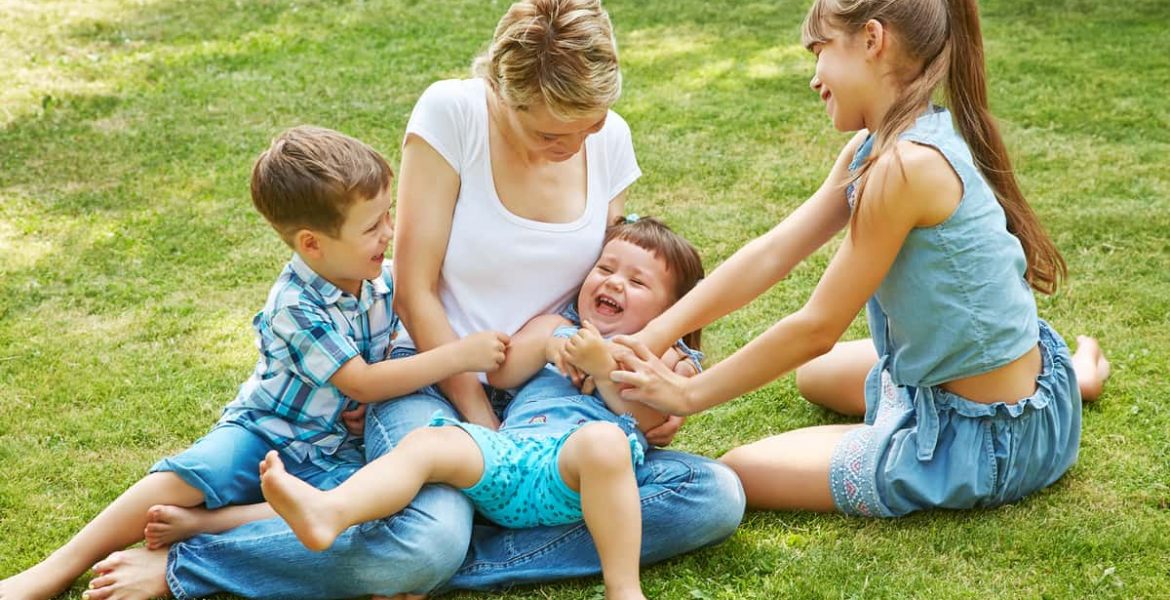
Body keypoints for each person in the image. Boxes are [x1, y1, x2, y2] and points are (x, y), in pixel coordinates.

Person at [66, 2, 743, 599]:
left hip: (551, 407)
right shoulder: (452, 115)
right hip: (434, 381)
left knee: (711, 496)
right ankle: (202, 562)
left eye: (591, 124)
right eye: (552, 133)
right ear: (504, 94)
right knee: (429, 539)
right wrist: (483, 420)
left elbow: (591, 294)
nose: (577, 145)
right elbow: (415, 289)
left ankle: (417, 555)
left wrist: (638, 385)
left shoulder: (604, 138)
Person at [609, 0, 1110, 518]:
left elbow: (816, 327)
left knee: (736, 469)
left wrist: (686, 396)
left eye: (819, 50)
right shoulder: (877, 145)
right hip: (1001, 390)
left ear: (872, 39)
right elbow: (774, 252)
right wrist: (655, 334)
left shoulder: (905, 168)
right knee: (814, 377)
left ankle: (1009, 409)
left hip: (986, 441)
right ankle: (1075, 376)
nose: (813, 78)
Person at [0, 126, 510, 600]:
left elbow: (383, 355)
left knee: (349, 510)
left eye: (389, 215)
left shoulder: (379, 279)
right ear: (312, 243)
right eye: (374, 225)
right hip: (267, 428)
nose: (390, 232)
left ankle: (208, 527)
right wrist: (457, 356)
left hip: (335, 448)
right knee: (196, 472)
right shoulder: (295, 305)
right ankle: (60, 565)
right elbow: (363, 379)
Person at [259, 217, 705, 600]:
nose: (612, 282)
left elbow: (649, 420)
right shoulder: (557, 325)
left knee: (606, 441)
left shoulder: (667, 359)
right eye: (605, 268)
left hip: (577, 478)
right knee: (430, 444)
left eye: (637, 281)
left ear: (672, 311)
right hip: (509, 462)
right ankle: (331, 511)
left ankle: (622, 588)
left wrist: (603, 371)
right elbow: (502, 375)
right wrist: (549, 347)